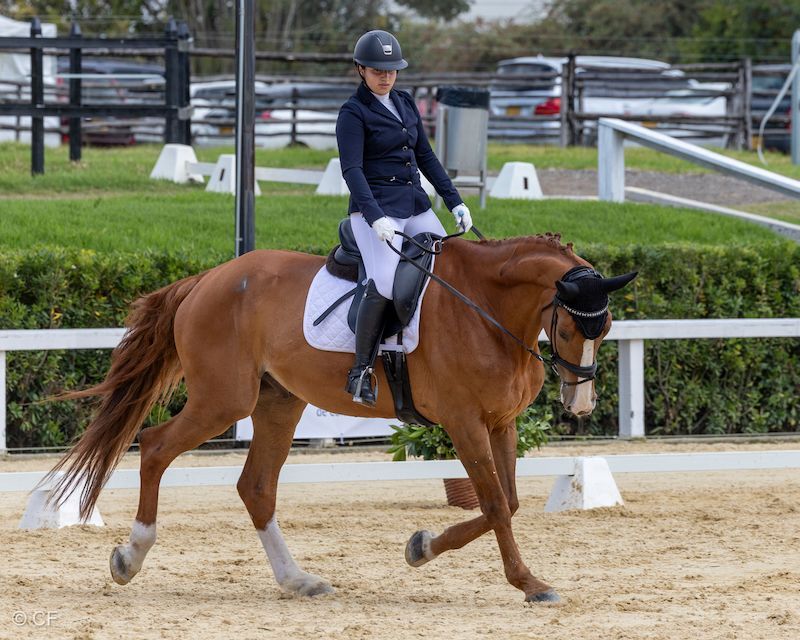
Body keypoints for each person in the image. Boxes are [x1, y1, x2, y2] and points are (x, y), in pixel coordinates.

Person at [336, 29, 473, 407]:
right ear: (361, 69)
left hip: (413, 204)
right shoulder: (353, 112)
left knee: (448, 264)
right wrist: (374, 215)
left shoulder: (405, 102)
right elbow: (352, 171)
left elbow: (426, 157)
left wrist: (454, 201)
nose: (386, 76)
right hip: (375, 210)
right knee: (382, 281)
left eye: (392, 70)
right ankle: (360, 371)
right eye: (378, 70)